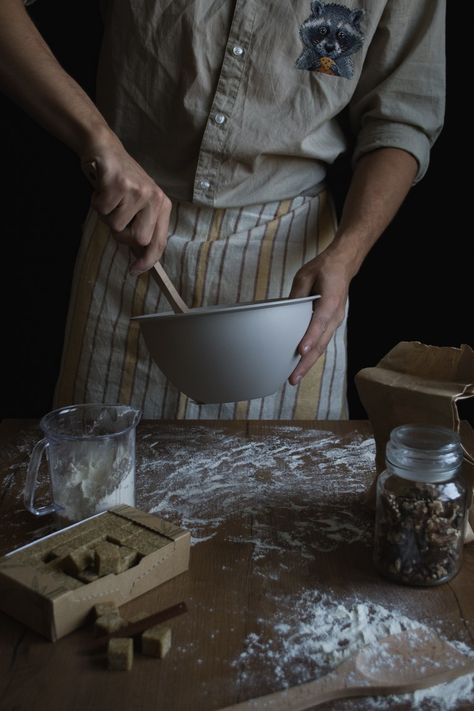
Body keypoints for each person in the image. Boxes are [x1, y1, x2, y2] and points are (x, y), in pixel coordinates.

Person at [0, 0, 445, 419]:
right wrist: (96, 140)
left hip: (290, 270)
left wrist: (348, 253)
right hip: (129, 236)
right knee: (96, 485)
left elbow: (402, 116)